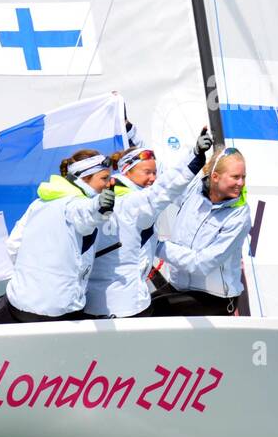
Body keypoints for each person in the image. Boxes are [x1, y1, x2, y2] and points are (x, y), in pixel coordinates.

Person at [84, 127, 215, 318]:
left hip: (94, 301)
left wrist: (130, 131)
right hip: (126, 304)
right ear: (126, 171)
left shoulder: (99, 197)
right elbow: (168, 187)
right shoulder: (134, 203)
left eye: (155, 173)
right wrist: (194, 156)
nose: (153, 178)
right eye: (147, 172)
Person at [0, 149, 116, 324]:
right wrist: (100, 206)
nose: (109, 183)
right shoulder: (76, 204)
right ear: (85, 178)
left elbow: (13, 245)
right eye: (104, 178)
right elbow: (87, 213)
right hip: (59, 309)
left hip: (19, 301)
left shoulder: (39, 203)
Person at [148, 147, 250, 316]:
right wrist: (131, 132)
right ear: (215, 177)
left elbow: (202, 264)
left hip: (216, 298)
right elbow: (167, 176)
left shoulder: (239, 215)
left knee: (155, 311)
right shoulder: (194, 190)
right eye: (235, 177)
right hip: (180, 286)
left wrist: (156, 246)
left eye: (243, 177)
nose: (241, 183)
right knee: (142, 309)